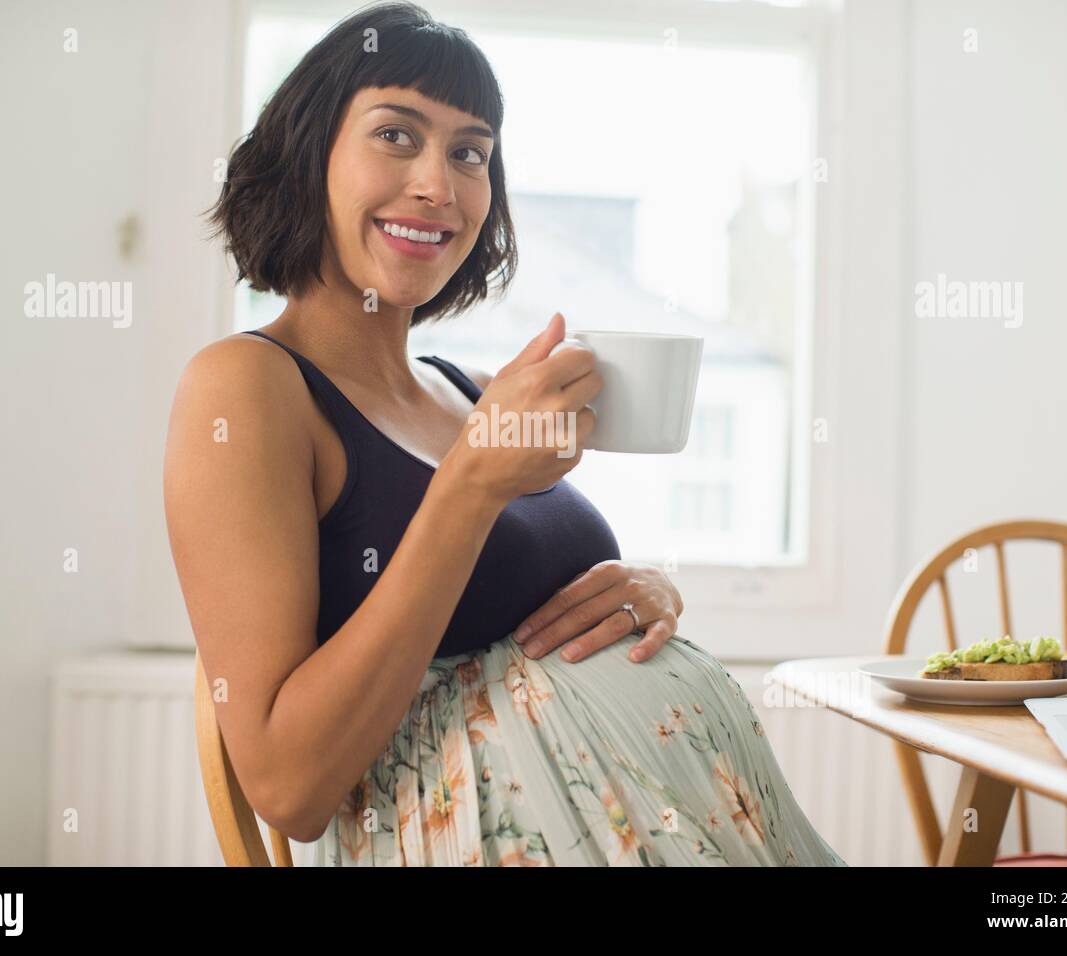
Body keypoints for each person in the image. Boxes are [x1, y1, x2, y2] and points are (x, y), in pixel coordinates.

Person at [163, 0, 847, 866]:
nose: (439, 186)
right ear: (309, 156)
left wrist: (648, 595)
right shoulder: (246, 387)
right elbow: (290, 789)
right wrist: (472, 486)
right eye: (397, 136)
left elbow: (533, 614)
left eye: (469, 153)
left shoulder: (465, 391)